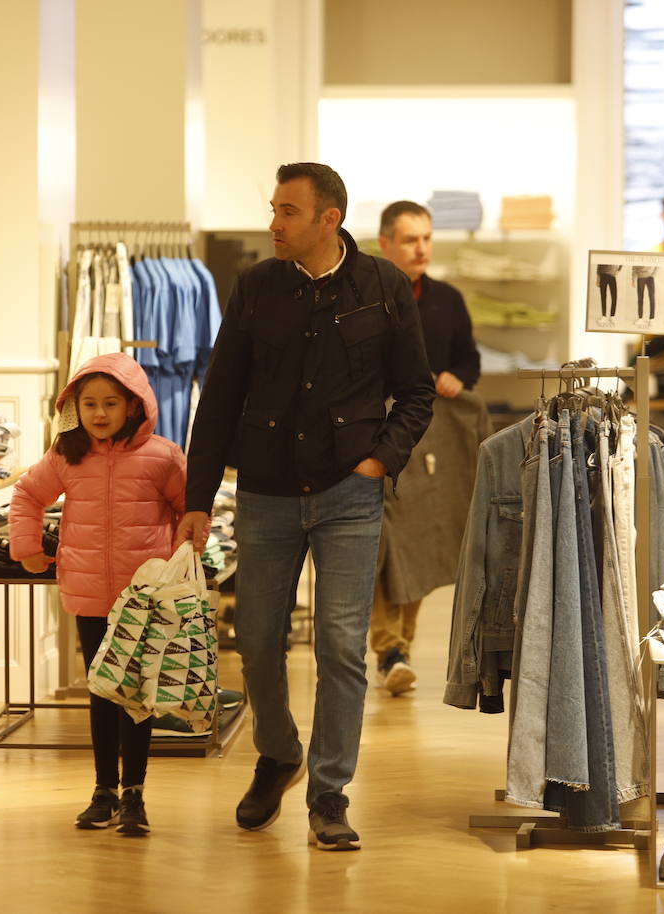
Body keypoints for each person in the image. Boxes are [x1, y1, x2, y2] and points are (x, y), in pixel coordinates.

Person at [176, 163, 434, 851]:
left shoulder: (382, 286)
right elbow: (221, 393)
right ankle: (278, 752)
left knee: (342, 647)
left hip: (351, 493)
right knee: (257, 641)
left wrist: (380, 459)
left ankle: (329, 793)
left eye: (287, 211)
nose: (272, 222)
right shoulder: (258, 287)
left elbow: (416, 392)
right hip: (263, 490)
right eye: (273, 208)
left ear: (329, 218)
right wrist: (197, 498)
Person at [9, 352, 187, 837]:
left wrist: (179, 568)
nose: (101, 413)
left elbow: (191, 512)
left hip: (143, 598)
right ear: (75, 408)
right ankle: (103, 790)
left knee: (136, 696)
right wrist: (26, 546)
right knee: (103, 692)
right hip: (88, 594)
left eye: (111, 403)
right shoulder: (66, 456)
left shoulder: (164, 457)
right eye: (90, 404)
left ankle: (134, 793)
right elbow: (26, 495)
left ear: (134, 405)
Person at [369, 200, 481, 695]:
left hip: (426, 433)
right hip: (371, 431)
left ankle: (398, 648)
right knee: (378, 540)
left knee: (410, 536)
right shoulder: (365, 295)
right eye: (411, 239)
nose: (421, 248)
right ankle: (388, 646)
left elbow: (468, 358)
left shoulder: (447, 300)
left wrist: (457, 377)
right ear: (385, 243)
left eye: (427, 238)